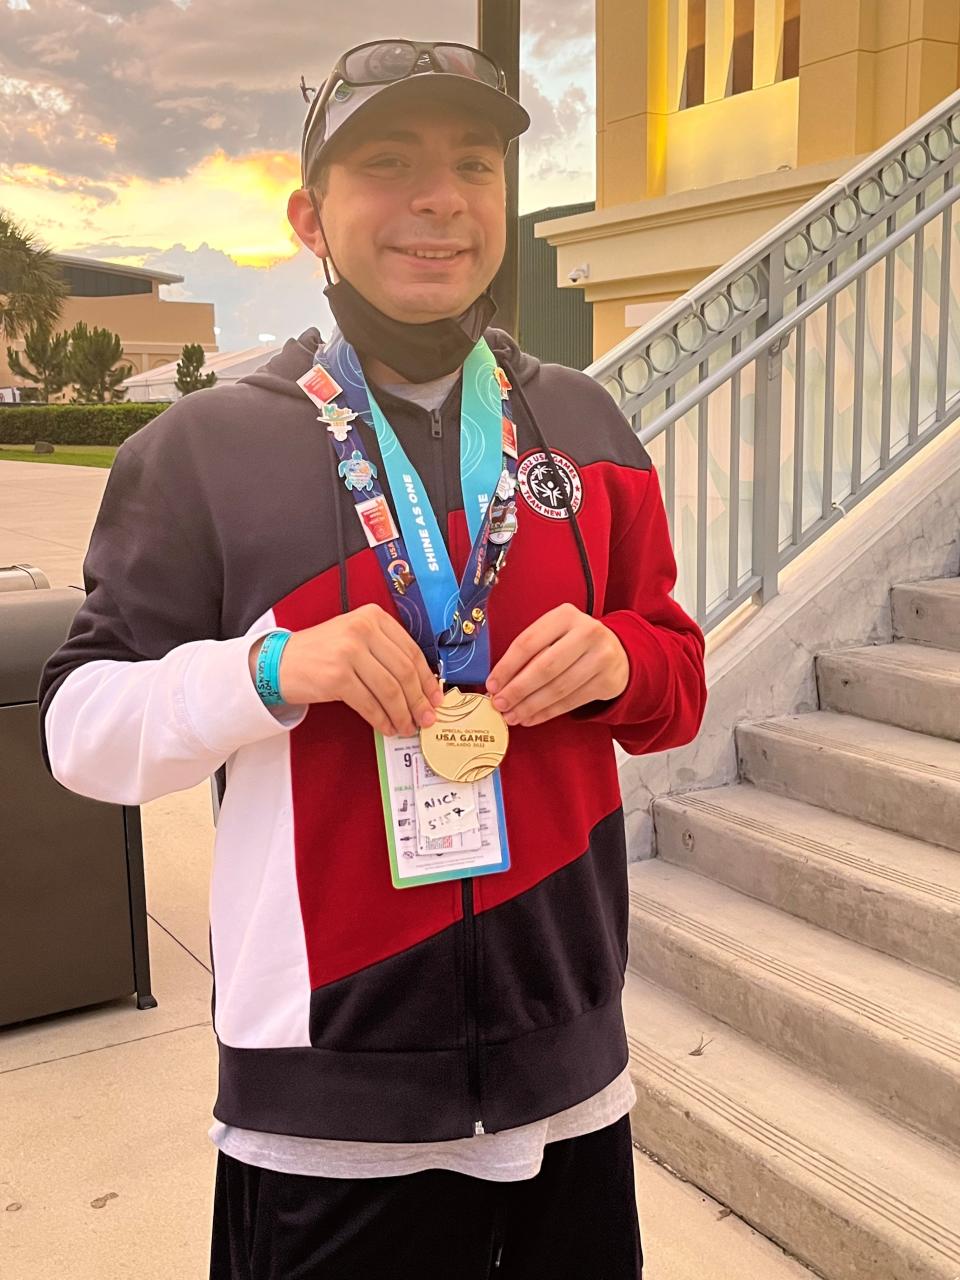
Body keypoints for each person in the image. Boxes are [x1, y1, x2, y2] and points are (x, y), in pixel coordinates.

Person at [37, 36, 707, 1280]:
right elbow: (78, 730)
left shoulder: (586, 426)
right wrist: (267, 670)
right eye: (389, 164)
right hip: (325, 1114)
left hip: (572, 1087)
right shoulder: (202, 451)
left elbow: (677, 679)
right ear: (311, 216)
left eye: (472, 166)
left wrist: (620, 659)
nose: (439, 199)